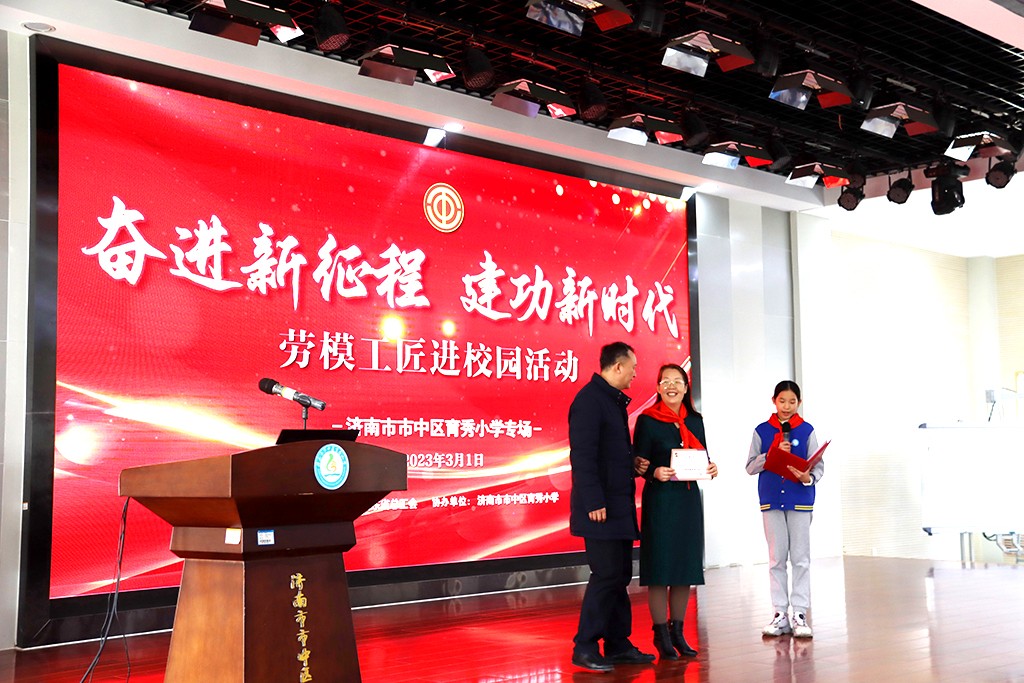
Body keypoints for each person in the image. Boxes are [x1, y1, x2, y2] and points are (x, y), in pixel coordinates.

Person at [568, 341, 656, 672]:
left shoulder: (611, 401)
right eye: (633, 368)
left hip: (617, 505)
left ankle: (618, 644)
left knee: (620, 575)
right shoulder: (590, 401)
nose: (635, 374)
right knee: (605, 574)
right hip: (600, 508)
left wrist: (632, 465)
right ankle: (585, 646)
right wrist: (593, 500)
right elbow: (583, 456)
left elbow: (609, 455)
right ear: (617, 366)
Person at [635, 364, 717, 660]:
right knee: (660, 570)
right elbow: (637, 463)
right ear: (658, 388)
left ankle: (678, 632)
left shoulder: (695, 420)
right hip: (661, 501)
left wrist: (711, 467)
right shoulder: (647, 420)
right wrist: (653, 472)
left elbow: (702, 456)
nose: (671, 386)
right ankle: (661, 635)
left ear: (685, 387)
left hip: (687, 499)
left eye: (677, 381)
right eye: (665, 382)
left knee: (684, 568)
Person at [745, 380, 823, 639]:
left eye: (792, 402)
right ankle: (780, 614)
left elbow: (818, 467)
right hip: (771, 501)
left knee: (800, 559)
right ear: (774, 401)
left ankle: (799, 613)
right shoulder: (762, 431)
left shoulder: (807, 430)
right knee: (776, 559)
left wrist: (808, 478)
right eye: (782, 401)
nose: (787, 406)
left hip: (800, 500)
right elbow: (750, 467)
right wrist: (771, 454)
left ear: (799, 402)